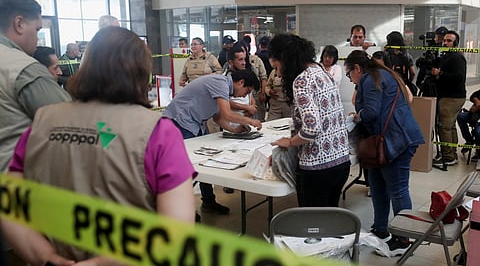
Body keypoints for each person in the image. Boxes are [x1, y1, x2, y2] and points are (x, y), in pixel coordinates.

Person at [2, 26, 196, 265]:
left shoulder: (41, 123)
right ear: (142, 72)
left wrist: (45, 257)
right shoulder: (158, 132)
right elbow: (176, 231)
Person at [344, 50, 424, 257]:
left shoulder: (371, 79)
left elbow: (371, 112)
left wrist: (356, 117)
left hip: (396, 141)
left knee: (398, 190)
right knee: (379, 187)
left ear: (357, 68)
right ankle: (381, 229)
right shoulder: (383, 74)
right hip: (387, 140)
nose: (350, 79)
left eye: (349, 74)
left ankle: (404, 239)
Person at [163, 69, 262, 218]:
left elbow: (218, 118)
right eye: (246, 90)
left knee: (204, 162)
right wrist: (250, 121)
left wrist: (235, 130)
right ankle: (180, 208)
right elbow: (228, 114)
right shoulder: (220, 82)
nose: (244, 96)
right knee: (187, 166)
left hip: (194, 123)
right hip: (180, 121)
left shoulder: (222, 90)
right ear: (241, 82)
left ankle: (208, 201)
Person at [269, 33, 351, 208]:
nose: (277, 73)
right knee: (328, 220)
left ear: (286, 59)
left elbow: (311, 129)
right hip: (341, 162)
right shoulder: (322, 72)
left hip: (318, 168)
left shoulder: (301, 81)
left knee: (312, 227)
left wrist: (289, 142)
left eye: (277, 67)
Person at [0, 0, 71, 173]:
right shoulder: (24, 68)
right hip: (17, 185)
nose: (37, 39)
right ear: (19, 24)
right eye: (37, 29)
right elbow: (72, 124)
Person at [431, 30, 467, 168]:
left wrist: (441, 73)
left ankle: (449, 156)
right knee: (450, 127)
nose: (445, 43)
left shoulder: (456, 57)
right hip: (449, 95)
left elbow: (459, 77)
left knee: (444, 127)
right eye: (444, 40)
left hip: (452, 97)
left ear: (455, 43)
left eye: (449, 41)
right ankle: (451, 153)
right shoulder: (448, 56)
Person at [384, 31, 417, 96]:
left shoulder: (385, 55)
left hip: (388, 86)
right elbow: (413, 73)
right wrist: (409, 82)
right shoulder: (407, 56)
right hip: (403, 86)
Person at [457, 89, 480, 161]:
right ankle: (469, 140)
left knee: (478, 131)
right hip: (477, 114)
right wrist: (476, 101)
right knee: (460, 117)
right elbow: (473, 95)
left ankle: (479, 153)